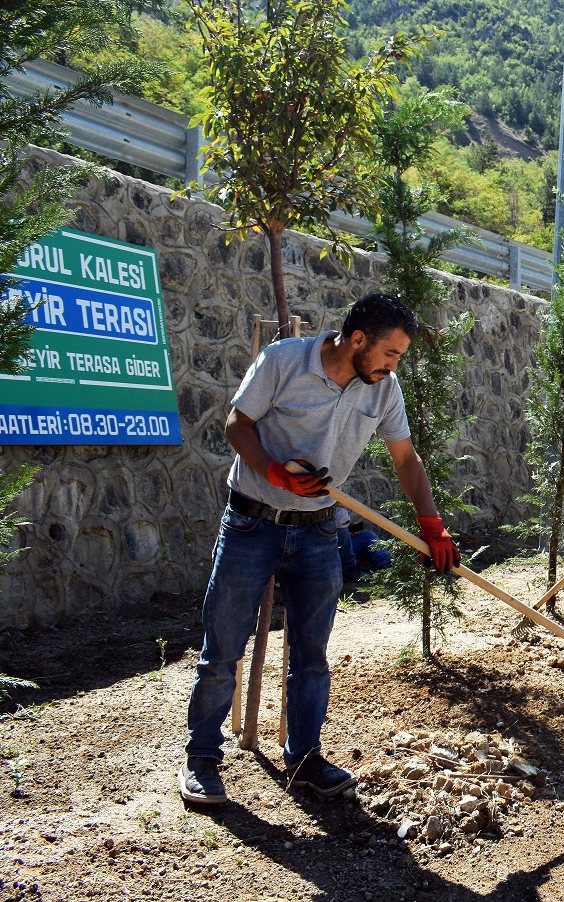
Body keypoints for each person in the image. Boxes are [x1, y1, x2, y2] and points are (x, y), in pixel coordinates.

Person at [179, 293, 459, 806]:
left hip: (319, 532)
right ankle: (202, 758)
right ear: (358, 339)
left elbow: (406, 458)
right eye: (390, 353)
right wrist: (275, 472)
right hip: (252, 523)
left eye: (399, 356)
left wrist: (432, 524)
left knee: (311, 655)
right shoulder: (282, 361)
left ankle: (304, 759)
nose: (394, 366)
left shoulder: (383, 387)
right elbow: (237, 425)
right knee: (222, 650)